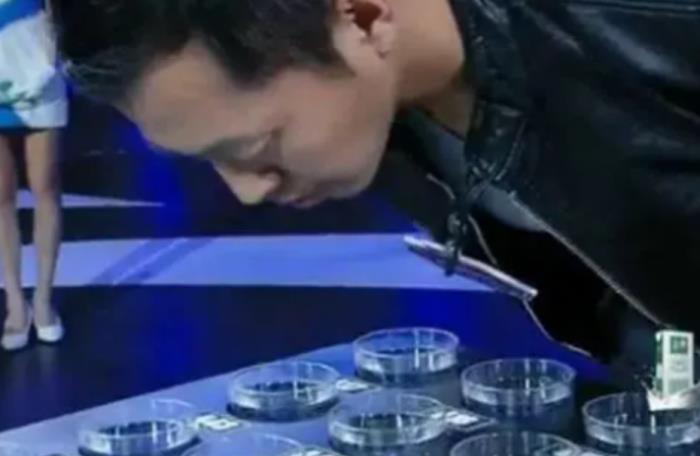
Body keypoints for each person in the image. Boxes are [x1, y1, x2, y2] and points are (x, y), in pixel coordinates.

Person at [48, 0, 699, 356]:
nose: (246, 188)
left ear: (362, 17)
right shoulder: (381, 112)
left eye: (255, 146)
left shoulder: (653, 25)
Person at [0, 0, 66, 350]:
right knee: (1, 196)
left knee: (46, 187)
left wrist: (50, 60)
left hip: (39, 70)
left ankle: (43, 300)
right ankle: (15, 303)